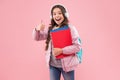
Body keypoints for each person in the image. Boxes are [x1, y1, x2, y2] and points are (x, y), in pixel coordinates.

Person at [32, 4, 81, 80]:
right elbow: (37, 38)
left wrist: (62, 51)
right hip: (53, 65)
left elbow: (77, 47)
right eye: (54, 14)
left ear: (65, 15)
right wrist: (37, 29)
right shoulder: (51, 29)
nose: (57, 15)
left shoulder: (71, 28)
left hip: (67, 65)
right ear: (52, 16)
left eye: (59, 13)